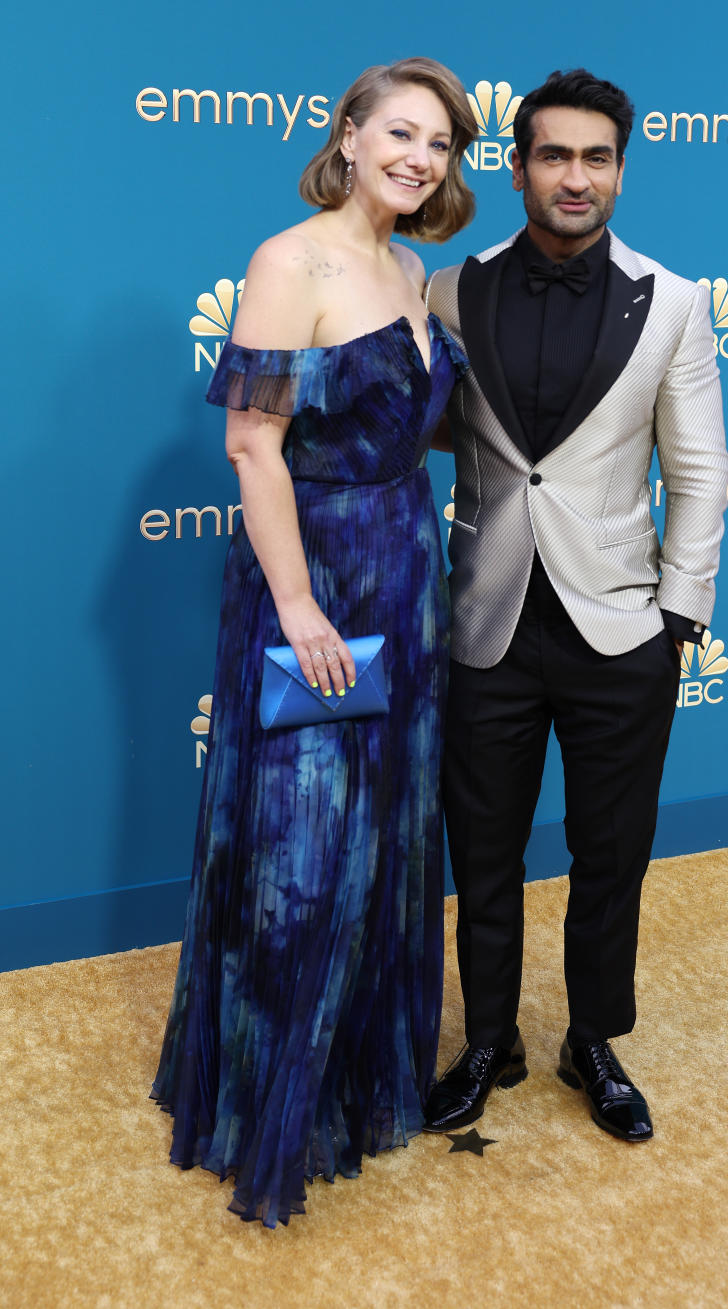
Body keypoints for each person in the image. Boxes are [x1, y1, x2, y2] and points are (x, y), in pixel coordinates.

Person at [151, 57, 476, 1227]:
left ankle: (359, 1084)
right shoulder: (290, 262)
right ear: (347, 134)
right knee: (303, 848)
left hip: (408, 575)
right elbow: (253, 447)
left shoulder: (412, 263)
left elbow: (408, 427)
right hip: (318, 579)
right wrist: (296, 606)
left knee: (384, 841)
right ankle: (272, 1110)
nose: (419, 158)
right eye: (400, 133)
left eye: (439, 144)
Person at [423, 69, 728, 1143]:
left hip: (619, 627)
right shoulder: (451, 293)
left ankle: (591, 1039)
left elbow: (700, 475)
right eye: (554, 154)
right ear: (517, 167)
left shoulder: (676, 303)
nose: (576, 176)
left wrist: (678, 619)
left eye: (597, 157)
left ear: (621, 171)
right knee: (484, 848)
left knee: (612, 851)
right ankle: (487, 1040)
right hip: (487, 623)